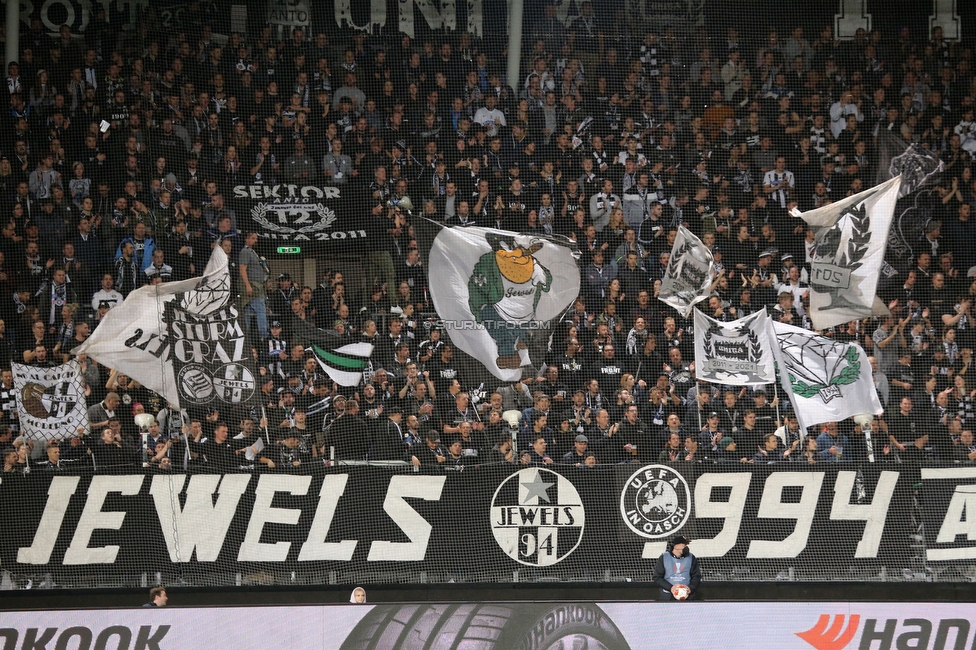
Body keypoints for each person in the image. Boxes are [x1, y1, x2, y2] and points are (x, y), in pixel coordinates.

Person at [652, 535, 701, 600]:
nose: (686, 547)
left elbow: (696, 576)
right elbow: (657, 577)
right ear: (676, 546)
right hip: (668, 596)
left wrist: (690, 588)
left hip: (687, 596)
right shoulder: (664, 557)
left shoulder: (691, 557)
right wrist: (671, 588)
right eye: (684, 545)